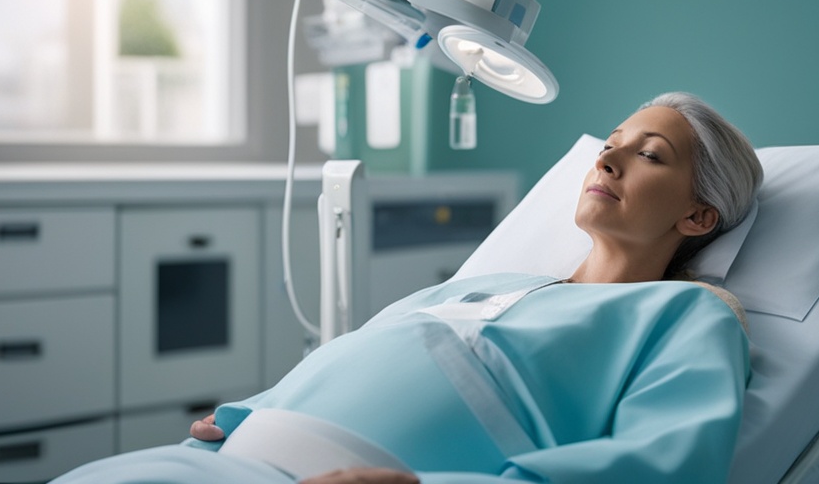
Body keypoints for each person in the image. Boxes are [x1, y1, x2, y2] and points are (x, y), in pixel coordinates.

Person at [52, 92, 763, 484]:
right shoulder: (491, 285)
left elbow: (663, 465)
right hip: (208, 462)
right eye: (612, 139)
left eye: (648, 155)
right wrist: (248, 411)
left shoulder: (684, 315)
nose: (608, 156)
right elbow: (361, 353)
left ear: (698, 215)